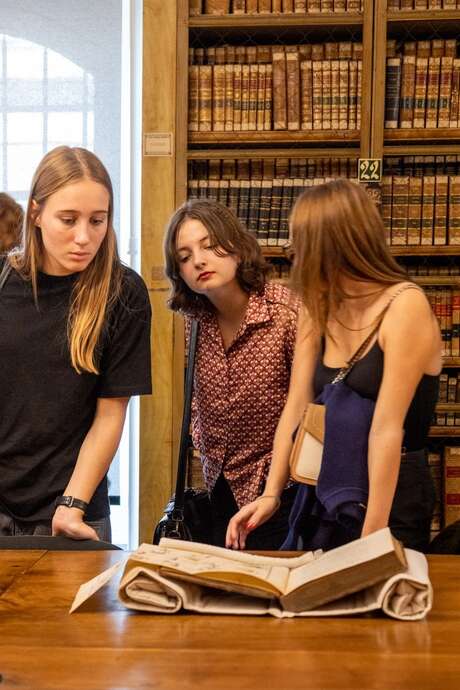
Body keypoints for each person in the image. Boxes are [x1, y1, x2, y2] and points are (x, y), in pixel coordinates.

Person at [227, 178, 442, 553]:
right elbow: (296, 405)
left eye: (299, 246)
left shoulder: (406, 306)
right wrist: (272, 493)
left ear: (332, 247)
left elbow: (386, 431)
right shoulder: (318, 306)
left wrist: (371, 537)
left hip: (391, 492)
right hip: (326, 486)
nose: (293, 257)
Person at [0, 146, 152, 541]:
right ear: (36, 213)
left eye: (97, 221)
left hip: (74, 509)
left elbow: (110, 414)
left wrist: (73, 505)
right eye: (68, 220)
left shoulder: (123, 292)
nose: (84, 237)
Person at [164, 199, 300, 549]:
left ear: (237, 248)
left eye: (209, 246)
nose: (198, 260)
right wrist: (201, 435)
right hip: (219, 487)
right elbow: (196, 399)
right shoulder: (195, 321)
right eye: (184, 257)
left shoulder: (285, 312)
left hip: (281, 490)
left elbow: (308, 405)